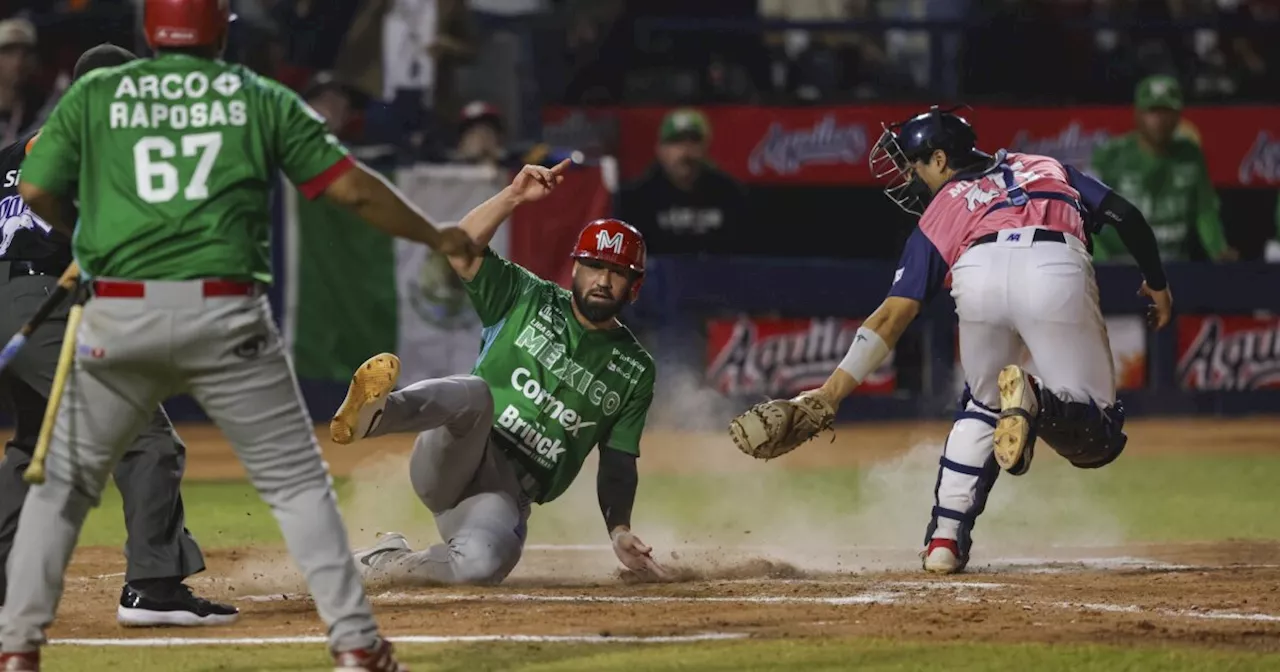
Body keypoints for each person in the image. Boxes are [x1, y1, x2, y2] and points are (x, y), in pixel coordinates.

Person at [0, 1, 478, 669]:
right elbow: (351, 191)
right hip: (224, 312)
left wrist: (92, 232)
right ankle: (357, 645)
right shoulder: (255, 95)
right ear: (221, 29)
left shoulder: (97, 94)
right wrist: (435, 232)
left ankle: (18, 649)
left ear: (148, 30)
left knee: (61, 484)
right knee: (296, 484)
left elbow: (35, 187)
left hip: (120, 312)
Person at [734, 107, 1172, 575]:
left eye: (915, 164)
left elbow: (891, 318)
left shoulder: (944, 207)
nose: (909, 176)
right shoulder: (1046, 165)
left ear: (941, 159)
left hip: (978, 270)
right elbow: (1126, 215)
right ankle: (1037, 400)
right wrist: (1157, 282)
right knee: (1097, 436)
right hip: (1054, 264)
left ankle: (945, 541)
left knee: (982, 405)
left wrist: (829, 393)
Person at [333, 161, 667, 586]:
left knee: (479, 568)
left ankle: (383, 562)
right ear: (575, 268)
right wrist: (512, 196)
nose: (603, 279)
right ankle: (376, 414)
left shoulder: (635, 369)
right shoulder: (528, 295)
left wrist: (618, 530)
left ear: (633, 288)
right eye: (595, 265)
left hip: (502, 496)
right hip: (456, 452)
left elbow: (618, 461)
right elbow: (459, 248)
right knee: (475, 394)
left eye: (618, 273)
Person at [0, 42, 237, 630]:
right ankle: (153, 587)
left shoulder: (15, 149)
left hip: (19, 299)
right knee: (144, 435)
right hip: (43, 297)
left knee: (39, 448)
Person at [1090, 75, 1235, 262]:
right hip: (1121, 263)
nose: (1160, 120)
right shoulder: (1110, 156)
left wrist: (1218, 251)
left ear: (1178, 115)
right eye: (1153, 111)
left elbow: (1205, 210)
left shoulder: (1190, 154)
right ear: (1138, 114)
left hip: (1175, 263)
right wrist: (1103, 266)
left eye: (1167, 111)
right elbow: (1084, 217)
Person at [617, 108, 749, 255]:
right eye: (676, 142)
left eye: (693, 141)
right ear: (660, 150)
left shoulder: (731, 195)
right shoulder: (637, 199)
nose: (686, 152)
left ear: (706, 148)